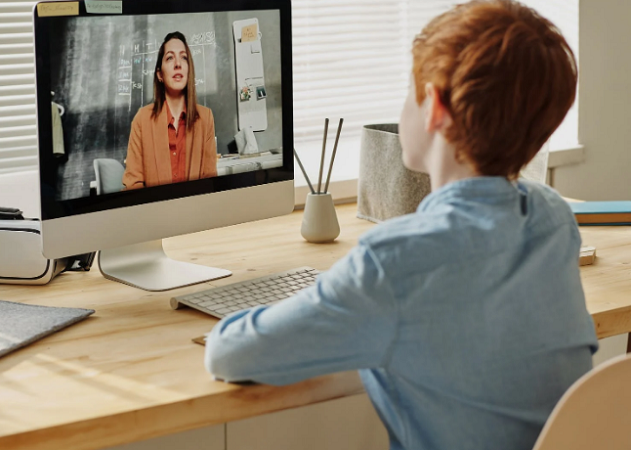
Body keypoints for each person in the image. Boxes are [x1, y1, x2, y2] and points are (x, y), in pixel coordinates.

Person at [204, 2, 598, 450]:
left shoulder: (393, 263)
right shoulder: (551, 218)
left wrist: (329, 298)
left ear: (435, 107)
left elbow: (229, 353)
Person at [122, 32, 217, 190]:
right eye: (170, 58)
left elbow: (210, 182)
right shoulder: (142, 120)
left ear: (189, 70)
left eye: (184, 57)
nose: (178, 64)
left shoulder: (205, 118)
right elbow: (134, 185)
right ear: (159, 74)